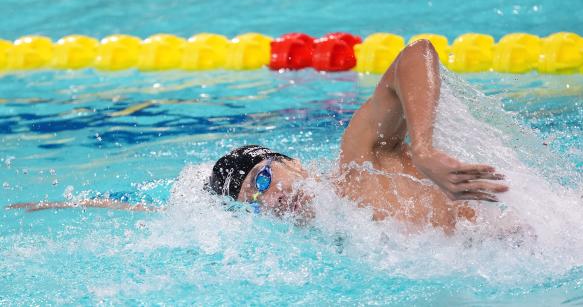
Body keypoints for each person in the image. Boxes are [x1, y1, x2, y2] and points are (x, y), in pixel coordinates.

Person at [8, 40, 508, 233]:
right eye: (254, 201)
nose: (271, 201)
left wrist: (422, 149)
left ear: (289, 162)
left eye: (264, 180)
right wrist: (61, 207)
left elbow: (415, 55)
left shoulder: (360, 158)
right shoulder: (339, 231)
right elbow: (168, 212)